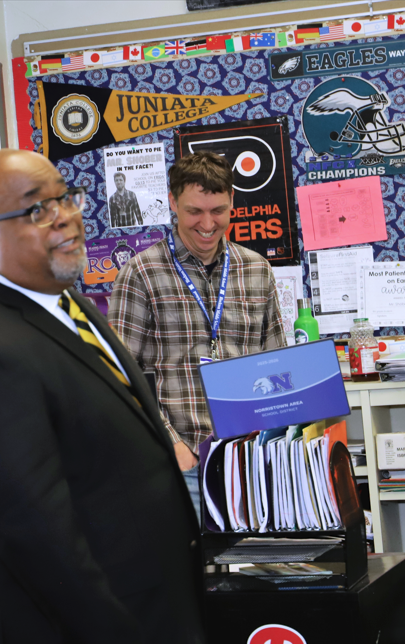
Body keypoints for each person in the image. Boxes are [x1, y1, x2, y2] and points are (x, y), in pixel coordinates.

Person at [0, 150, 204, 644]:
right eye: (37, 209)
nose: (66, 218)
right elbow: (36, 537)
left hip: (160, 605)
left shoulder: (65, 301)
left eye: (66, 198)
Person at [108, 151, 286, 519]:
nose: (207, 224)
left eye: (218, 210)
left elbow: (276, 366)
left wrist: (278, 446)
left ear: (233, 202)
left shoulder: (257, 270)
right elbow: (120, 379)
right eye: (194, 212)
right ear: (173, 203)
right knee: (185, 575)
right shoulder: (140, 274)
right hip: (178, 463)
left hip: (249, 461)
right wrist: (173, 445)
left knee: (253, 572)